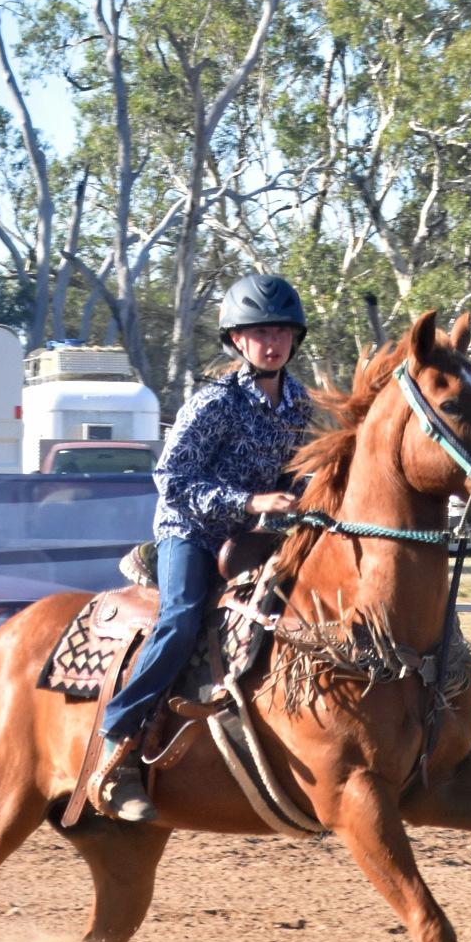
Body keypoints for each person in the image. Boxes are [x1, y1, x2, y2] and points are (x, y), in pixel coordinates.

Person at [88, 272, 312, 821]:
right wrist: (252, 502)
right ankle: (115, 743)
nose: (273, 341)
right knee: (184, 618)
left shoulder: (299, 403)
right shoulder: (213, 403)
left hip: (255, 534)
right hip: (189, 529)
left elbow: (293, 472)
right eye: (260, 332)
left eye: (282, 331)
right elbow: (172, 479)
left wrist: (302, 497)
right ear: (237, 340)